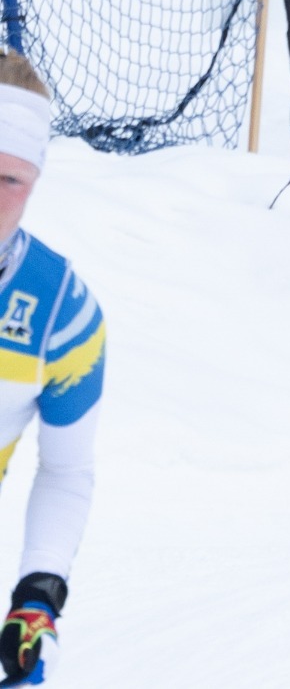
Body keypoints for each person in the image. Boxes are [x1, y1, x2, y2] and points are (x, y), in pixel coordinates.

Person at [0, 51, 105, 684]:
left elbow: (66, 471)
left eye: (9, 180)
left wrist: (38, 596)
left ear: (36, 181)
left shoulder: (62, 312)